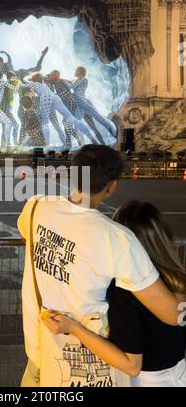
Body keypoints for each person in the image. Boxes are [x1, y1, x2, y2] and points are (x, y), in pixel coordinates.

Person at [18, 145, 185, 387]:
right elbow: (173, 315)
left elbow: (28, 233)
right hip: (90, 364)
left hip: (41, 348)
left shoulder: (35, 207)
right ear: (112, 186)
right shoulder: (118, 239)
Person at [44, 201, 186, 387]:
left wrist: (73, 328)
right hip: (180, 372)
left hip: (146, 381)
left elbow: (131, 365)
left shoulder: (125, 291)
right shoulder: (177, 278)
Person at [20, 74, 98, 146]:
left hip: (46, 97)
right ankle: (92, 138)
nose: (30, 93)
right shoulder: (43, 86)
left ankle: (47, 144)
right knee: (71, 118)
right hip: (55, 97)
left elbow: (23, 84)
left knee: (45, 122)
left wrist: (22, 81)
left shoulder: (35, 84)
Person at [67, 67, 118, 140]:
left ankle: (115, 133)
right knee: (76, 122)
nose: (74, 71)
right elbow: (71, 83)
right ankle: (82, 142)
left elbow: (71, 86)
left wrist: (61, 80)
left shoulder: (83, 79)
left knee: (100, 119)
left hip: (84, 103)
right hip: (80, 105)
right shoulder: (77, 80)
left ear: (80, 72)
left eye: (76, 70)